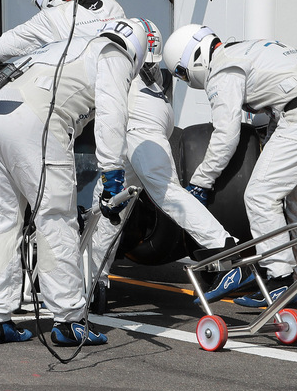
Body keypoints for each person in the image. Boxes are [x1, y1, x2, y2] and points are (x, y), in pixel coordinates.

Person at [0, 19, 146, 346]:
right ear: (136, 53)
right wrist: (113, 176)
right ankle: (68, 321)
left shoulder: (66, 46)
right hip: (34, 117)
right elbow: (112, 117)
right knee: (56, 217)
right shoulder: (114, 53)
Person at [162, 24, 297, 308]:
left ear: (194, 58)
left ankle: (279, 278)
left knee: (260, 196)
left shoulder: (222, 69)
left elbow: (226, 135)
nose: (187, 80)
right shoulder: (245, 48)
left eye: (182, 73)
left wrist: (201, 181)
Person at [82, 18, 235, 312]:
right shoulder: (161, 76)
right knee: (110, 210)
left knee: (162, 193)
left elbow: (108, 113)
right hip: (144, 132)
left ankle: (222, 243)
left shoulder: (114, 63)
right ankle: (93, 280)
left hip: (138, 133)